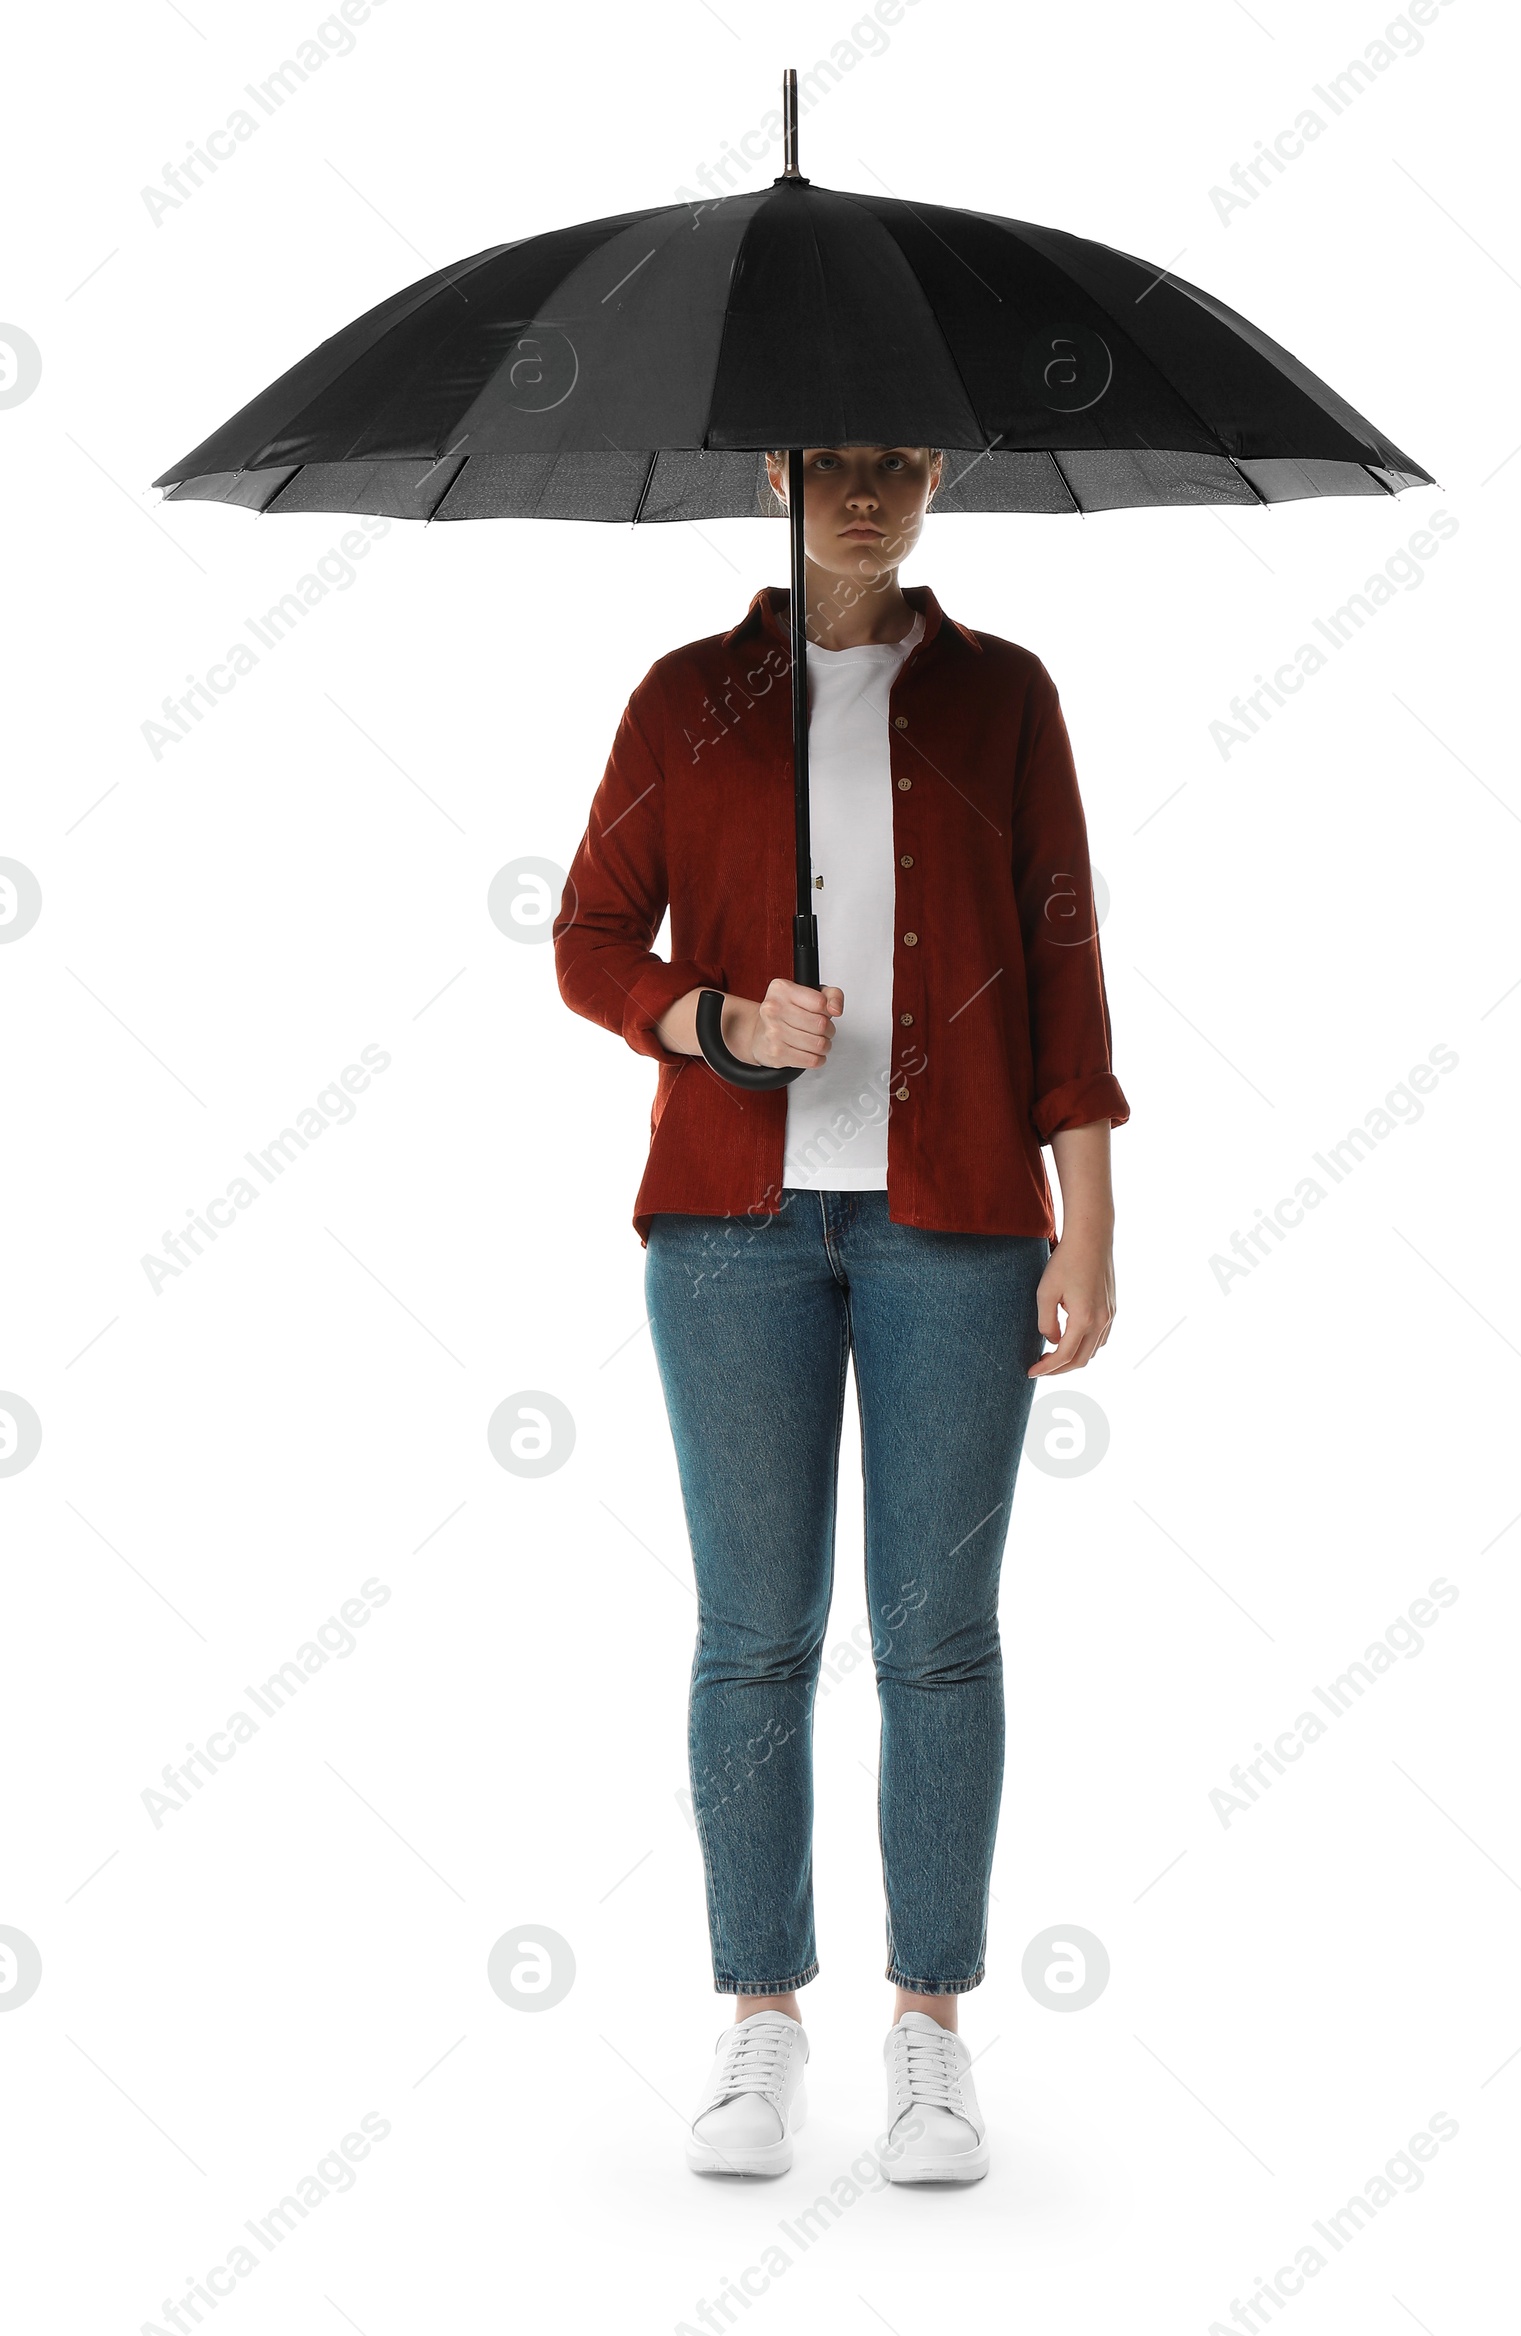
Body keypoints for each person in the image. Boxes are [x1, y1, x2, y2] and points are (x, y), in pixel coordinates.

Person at [554, 444, 1129, 2183]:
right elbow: (587, 938)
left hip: (955, 1221)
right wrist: (715, 1021)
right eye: (832, 460)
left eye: (897, 456)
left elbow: (1069, 970)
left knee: (940, 1633)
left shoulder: (1007, 701)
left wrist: (1089, 1220)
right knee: (756, 1631)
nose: (865, 490)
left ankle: (931, 2032)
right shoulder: (686, 700)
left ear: (941, 465)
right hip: (729, 1232)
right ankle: (759, 2016)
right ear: (773, 470)